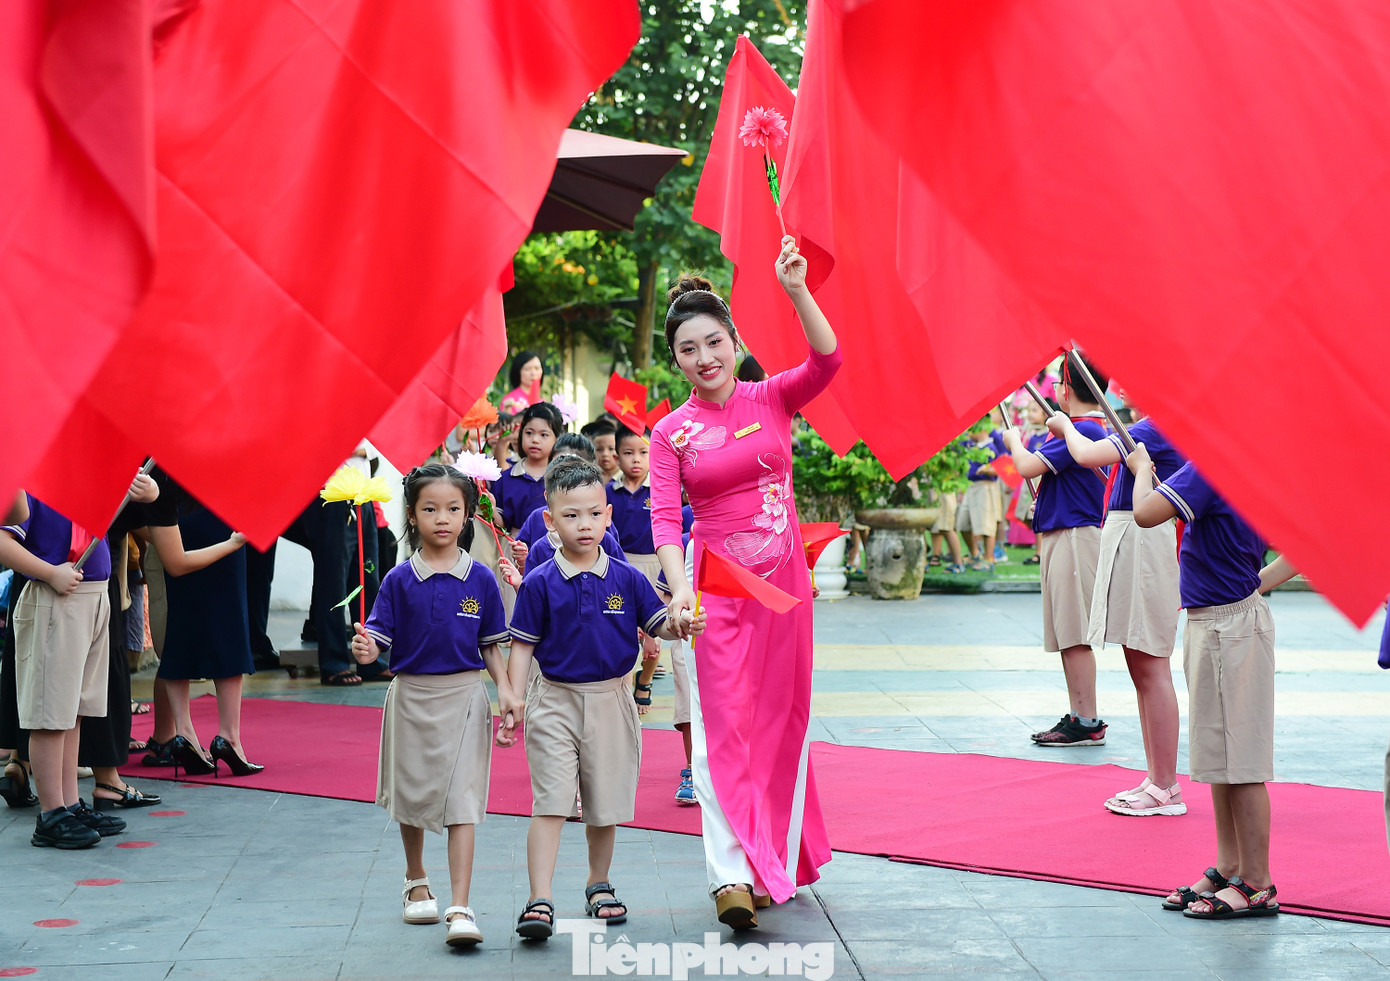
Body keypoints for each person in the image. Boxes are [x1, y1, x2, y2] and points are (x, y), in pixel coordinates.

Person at [651, 235, 839, 929]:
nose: (704, 359)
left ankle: (770, 864)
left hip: (785, 590)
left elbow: (829, 360)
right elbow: (666, 523)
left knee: (777, 724)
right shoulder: (671, 433)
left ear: (733, 339)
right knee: (720, 728)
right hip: (716, 594)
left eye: (713, 343)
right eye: (687, 350)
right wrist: (680, 591)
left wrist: (797, 290)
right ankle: (729, 875)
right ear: (676, 361)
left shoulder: (773, 397)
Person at [499, 457, 699, 940]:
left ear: (608, 515)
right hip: (554, 701)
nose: (583, 525)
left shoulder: (627, 579)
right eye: (570, 516)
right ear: (550, 520)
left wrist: (681, 620)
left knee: (604, 802)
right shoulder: (540, 582)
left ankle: (599, 882)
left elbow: (660, 626)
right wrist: (512, 696)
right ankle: (538, 897)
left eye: (592, 513)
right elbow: (522, 646)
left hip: (613, 700)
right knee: (549, 800)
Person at [350, 464, 516, 947]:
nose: (441, 518)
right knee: (413, 794)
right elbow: (377, 638)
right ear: (411, 514)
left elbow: (490, 645)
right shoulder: (399, 579)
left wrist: (505, 689)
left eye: (453, 508)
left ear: (467, 515)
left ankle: (461, 906)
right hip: (411, 698)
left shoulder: (482, 579)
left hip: (465, 696)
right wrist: (365, 649)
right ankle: (415, 877)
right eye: (429, 508)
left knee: (463, 800)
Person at [1133, 451, 1286, 918]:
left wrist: (1142, 471)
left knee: (1241, 759)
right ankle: (1229, 866)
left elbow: (1144, 514)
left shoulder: (1218, 464)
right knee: (1220, 757)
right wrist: (1253, 585)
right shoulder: (1251, 465)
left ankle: (1257, 883)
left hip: (1229, 625)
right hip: (1216, 619)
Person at [1048, 390, 1187, 814]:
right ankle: (1157, 779)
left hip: (1143, 543)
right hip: (1132, 539)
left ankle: (1165, 785)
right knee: (1142, 669)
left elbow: (1088, 454)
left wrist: (1064, 426)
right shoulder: (1149, 427)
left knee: (1150, 667)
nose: (1122, 387)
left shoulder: (1160, 426)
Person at [0, 493, 127, 847]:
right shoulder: (34, 482)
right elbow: (2, 540)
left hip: (93, 594)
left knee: (74, 712)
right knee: (50, 712)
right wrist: (49, 572)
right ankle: (51, 812)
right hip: (55, 596)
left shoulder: (83, 480)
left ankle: (69, 803)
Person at [1001, 357, 1110, 747]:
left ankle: (1086, 719)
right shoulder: (1087, 429)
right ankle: (1082, 715)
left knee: (1074, 633)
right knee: (1068, 632)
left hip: (1076, 537)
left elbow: (1028, 466)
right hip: (1068, 534)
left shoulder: (1080, 429)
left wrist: (1013, 441)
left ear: (1065, 389)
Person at [144, 477, 263, 778]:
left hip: (172, 507)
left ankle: (184, 734)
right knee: (229, 621)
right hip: (219, 504)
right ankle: (229, 738)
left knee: (179, 622)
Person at [960, 419, 1001, 570]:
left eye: (972, 428)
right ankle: (974, 553)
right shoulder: (972, 447)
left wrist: (985, 470)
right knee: (963, 523)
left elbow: (998, 470)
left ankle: (989, 559)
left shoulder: (990, 447)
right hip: (971, 487)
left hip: (985, 487)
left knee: (986, 524)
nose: (969, 431)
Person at [500, 350, 544, 415]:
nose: (533, 373)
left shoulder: (542, 403)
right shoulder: (510, 401)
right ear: (518, 371)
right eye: (528, 369)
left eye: (537, 368)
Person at [581, 420, 620, 485]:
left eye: (611, 449)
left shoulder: (626, 477)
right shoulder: (588, 478)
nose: (605, 454)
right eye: (599, 449)